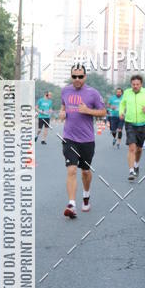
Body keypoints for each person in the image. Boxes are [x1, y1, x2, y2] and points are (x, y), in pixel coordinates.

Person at [60, 65, 106, 219]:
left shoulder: (93, 93)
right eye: (74, 77)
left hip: (87, 140)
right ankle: (71, 204)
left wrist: (88, 111)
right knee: (71, 170)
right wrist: (61, 112)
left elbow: (103, 112)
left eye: (80, 77)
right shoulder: (65, 91)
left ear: (85, 77)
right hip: (69, 137)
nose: (77, 80)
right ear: (71, 77)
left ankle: (86, 196)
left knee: (85, 172)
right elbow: (63, 106)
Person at [119, 75, 145, 180]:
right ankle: (131, 171)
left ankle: (136, 164)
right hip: (129, 123)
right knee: (132, 148)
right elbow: (122, 104)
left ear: (141, 84)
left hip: (143, 123)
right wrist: (121, 112)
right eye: (133, 84)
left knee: (139, 149)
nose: (135, 86)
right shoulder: (127, 92)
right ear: (131, 84)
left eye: (137, 84)